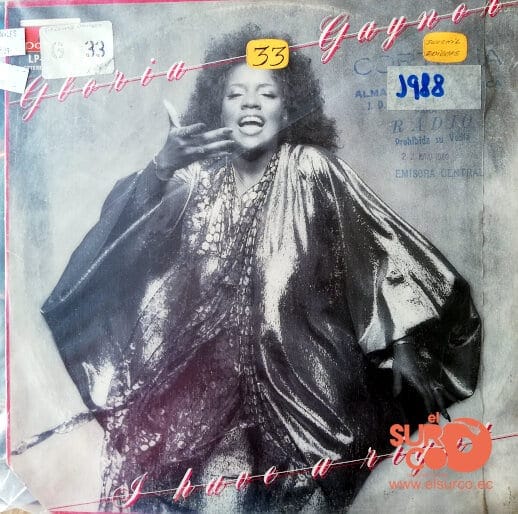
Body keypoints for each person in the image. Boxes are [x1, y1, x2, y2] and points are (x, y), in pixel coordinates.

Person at [41, 26, 481, 512]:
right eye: (236, 93)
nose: (250, 102)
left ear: (288, 111)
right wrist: (161, 166)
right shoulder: (192, 183)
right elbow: (123, 249)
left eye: (267, 93)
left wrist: (403, 343)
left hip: (304, 399)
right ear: (218, 110)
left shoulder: (310, 169)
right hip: (208, 408)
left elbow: (377, 249)